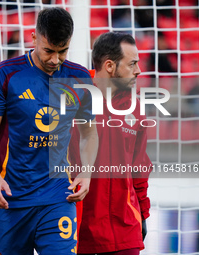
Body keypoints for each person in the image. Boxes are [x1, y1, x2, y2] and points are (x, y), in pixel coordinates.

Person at [0, 7, 98, 255]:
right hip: (9, 199)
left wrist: (86, 172)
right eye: (49, 51)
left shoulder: (80, 77)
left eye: (62, 51)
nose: (55, 60)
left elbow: (89, 133)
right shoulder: (6, 74)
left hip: (57, 198)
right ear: (34, 38)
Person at [69, 32, 152, 255]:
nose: (139, 71)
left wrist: (142, 213)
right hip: (78, 229)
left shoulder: (137, 110)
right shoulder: (71, 100)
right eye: (132, 63)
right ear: (109, 66)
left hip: (125, 232)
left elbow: (139, 167)